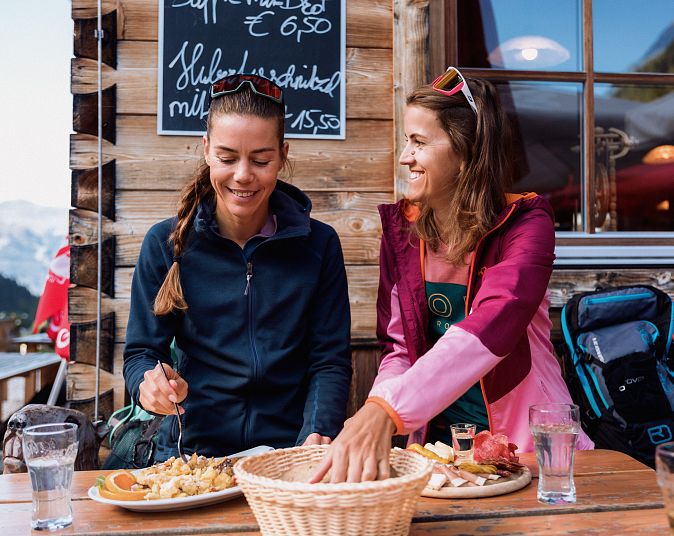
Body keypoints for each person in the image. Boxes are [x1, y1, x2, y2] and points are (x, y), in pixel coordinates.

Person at [312, 67, 593, 484]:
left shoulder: (526, 221)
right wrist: (376, 410)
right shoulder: (404, 232)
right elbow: (399, 350)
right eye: (407, 140)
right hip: (438, 454)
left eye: (420, 143)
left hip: (529, 452)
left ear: (466, 152)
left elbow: (495, 320)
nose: (406, 156)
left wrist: (384, 412)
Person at [123, 74, 352, 462]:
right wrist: (149, 384)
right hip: (189, 457)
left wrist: (318, 428)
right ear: (207, 149)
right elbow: (141, 353)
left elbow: (329, 359)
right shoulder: (164, 245)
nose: (243, 175)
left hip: (287, 455)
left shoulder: (320, 245)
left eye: (261, 160)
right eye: (228, 158)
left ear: (283, 154)